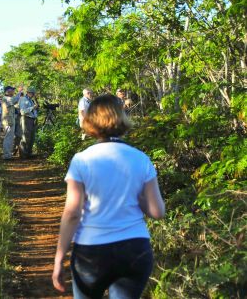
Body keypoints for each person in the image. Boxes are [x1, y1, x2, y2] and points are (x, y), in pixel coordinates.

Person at [52, 94, 165, 299]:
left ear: (90, 121)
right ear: (122, 118)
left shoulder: (82, 160)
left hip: (91, 251)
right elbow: (157, 212)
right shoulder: (141, 158)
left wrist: (59, 258)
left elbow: (72, 214)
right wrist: (137, 196)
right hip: (135, 248)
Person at [1, 85, 23, 160]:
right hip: (8, 122)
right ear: (8, 91)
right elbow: (15, 100)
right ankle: (6, 156)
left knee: (10, 138)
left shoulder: (8, 99)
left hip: (10, 121)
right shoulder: (6, 99)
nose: (13, 91)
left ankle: (8, 155)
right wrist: (19, 92)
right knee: (8, 138)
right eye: (12, 90)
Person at [18, 86, 39, 158]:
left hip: (32, 120)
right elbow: (23, 111)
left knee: (32, 137)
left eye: (33, 93)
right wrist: (33, 107)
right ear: (28, 92)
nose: (33, 94)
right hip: (26, 119)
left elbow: (34, 111)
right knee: (25, 137)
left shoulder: (31, 100)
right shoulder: (23, 99)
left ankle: (29, 153)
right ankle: (23, 154)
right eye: (32, 93)